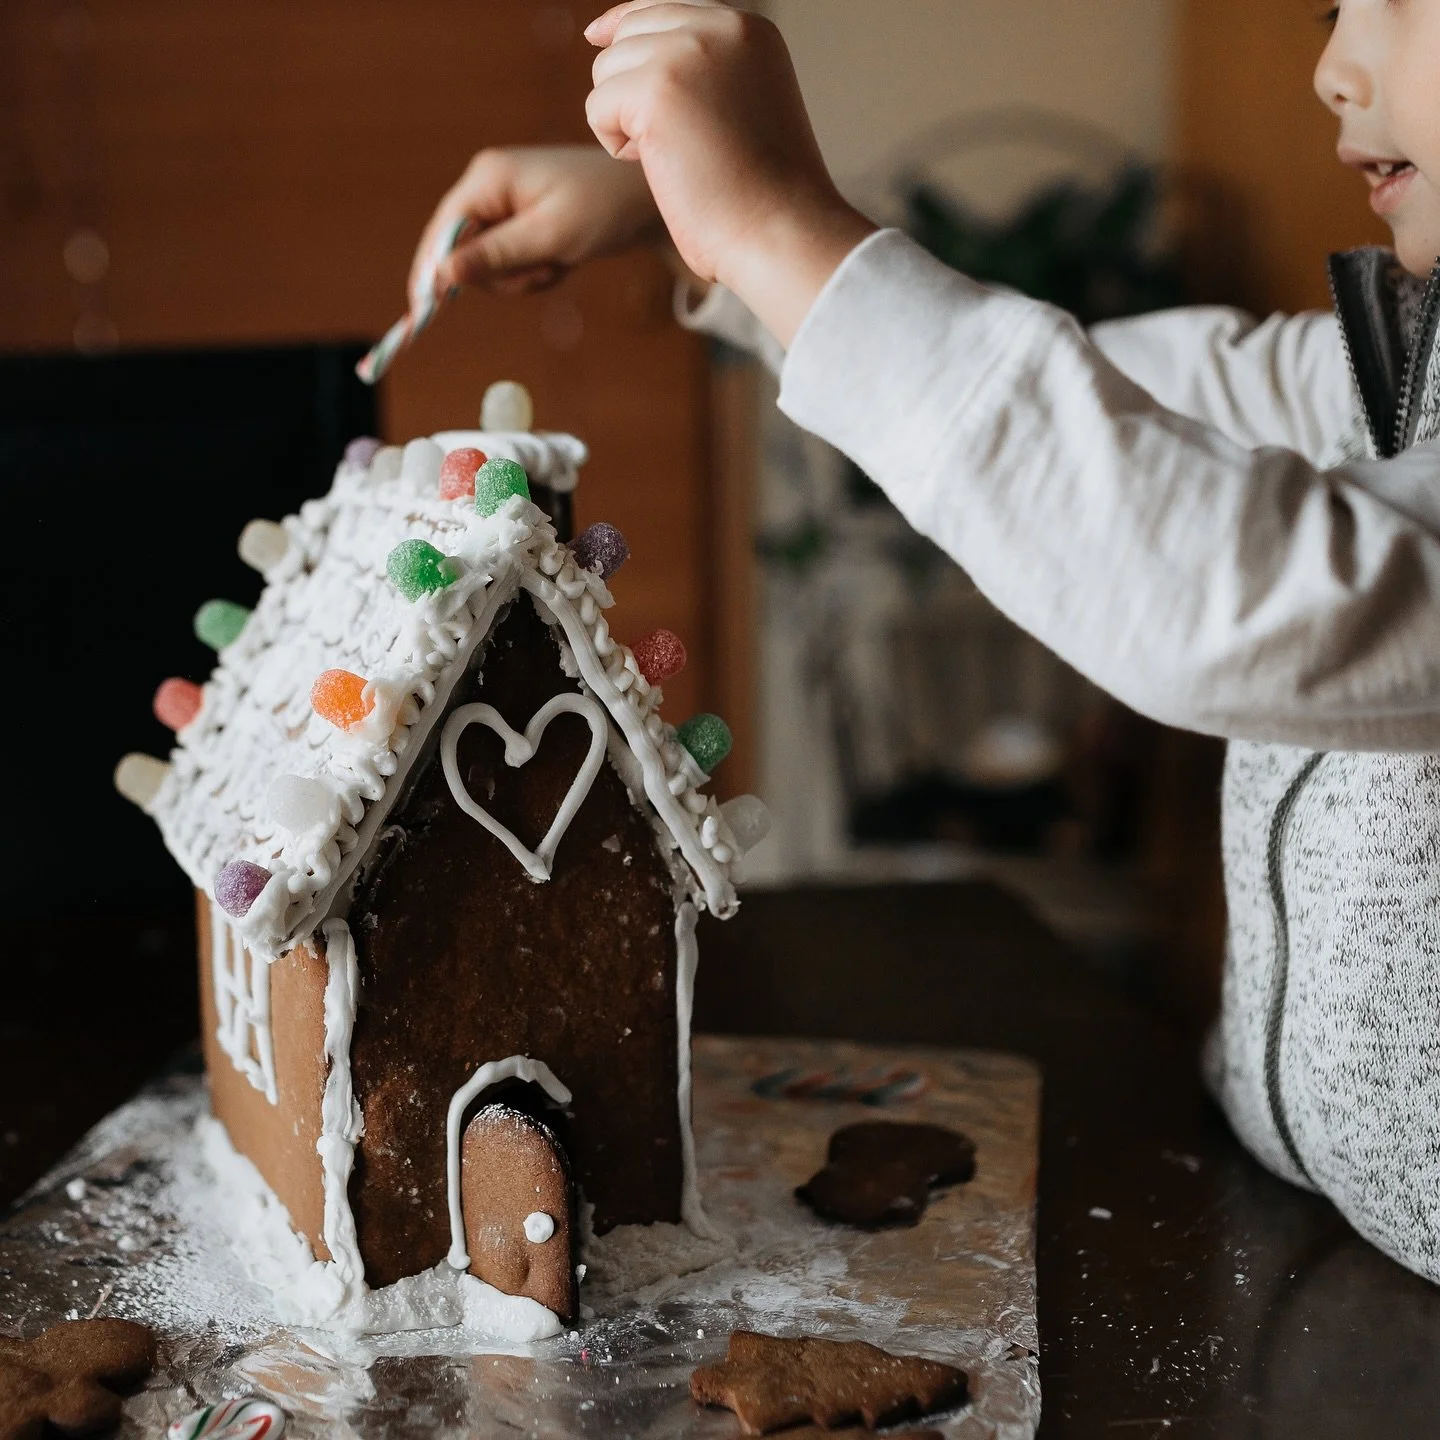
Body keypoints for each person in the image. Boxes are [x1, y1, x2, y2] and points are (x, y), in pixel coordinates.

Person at [408, 0, 1440, 1283]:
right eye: (1336, 7)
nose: (1334, 67)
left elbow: (1245, 589)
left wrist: (779, 227)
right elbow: (1116, 408)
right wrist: (709, 231)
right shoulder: (1399, 360)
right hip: (1306, 1233)